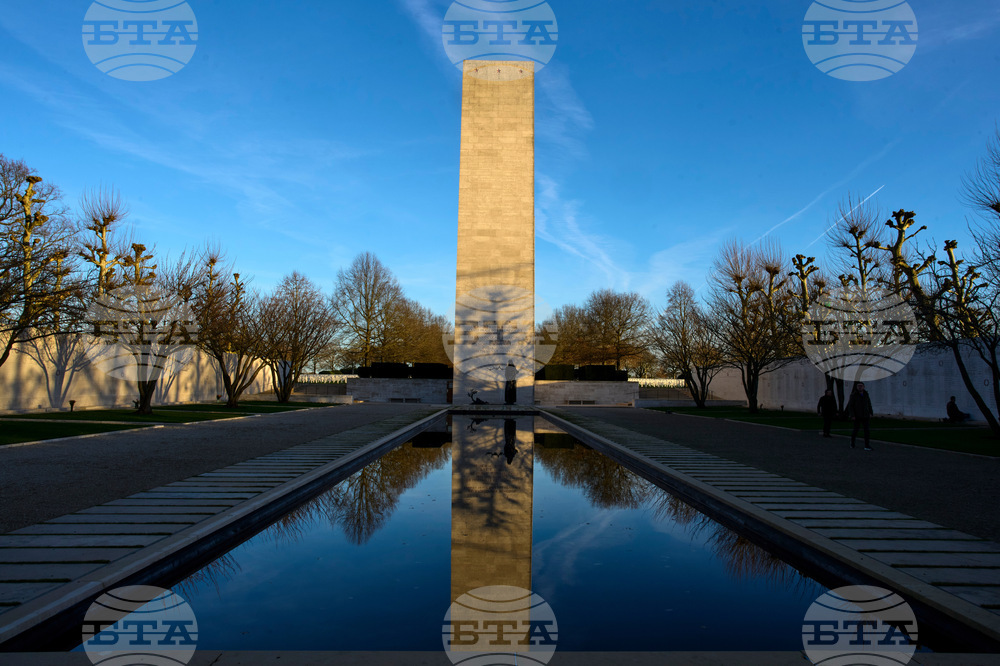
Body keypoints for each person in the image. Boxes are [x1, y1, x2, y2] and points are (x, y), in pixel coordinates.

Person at [846, 382, 874, 451]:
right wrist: (852, 415)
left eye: (861, 386)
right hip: (857, 415)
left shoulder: (866, 394)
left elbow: (869, 404)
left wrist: (871, 412)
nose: (860, 387)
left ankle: (867, 445)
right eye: (858, 386)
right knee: (855, 430)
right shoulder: (853, 395)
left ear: (863, 387)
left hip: (865, 415)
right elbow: (851, 406)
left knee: (867, 431)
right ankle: (852, 443)